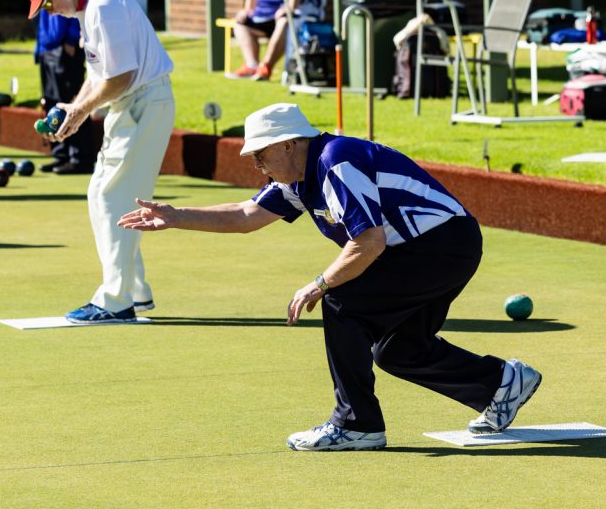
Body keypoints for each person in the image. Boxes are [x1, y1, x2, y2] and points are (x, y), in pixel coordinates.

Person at [118, 103, 543, 451]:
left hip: (438, 246)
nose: (258, 166)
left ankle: (356, 425)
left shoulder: (336, 161)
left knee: (342, 301)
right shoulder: (299, 177)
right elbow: (248, 216)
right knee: (398, 351)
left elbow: (369, 242)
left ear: (287, 145)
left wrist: (319, 284)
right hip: (431, 250)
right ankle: (500, 384)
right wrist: (176, 217)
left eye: (261, 155)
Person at [28, 0, 174, 322]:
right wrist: (73, 109)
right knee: (102, 194)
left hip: (142, 103)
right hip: (132, 105)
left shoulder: (103, 7)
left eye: (48, 1)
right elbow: (99, 74)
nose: (48, 10)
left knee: (110, 196)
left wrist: (80, 112)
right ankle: (135, 292)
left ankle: (115, 301)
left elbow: (121, 77)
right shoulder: (88, 10)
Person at [34, 8, 95, 175]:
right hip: (47, 48)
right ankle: (61, 153)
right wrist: (39, 49)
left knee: (72, 102)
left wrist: (72, 38)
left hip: (66, 47)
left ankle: (80, 158)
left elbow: (78, 7)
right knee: (52, 101)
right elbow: (42, 18)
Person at [227, 0, 325, 81]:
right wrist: (247, 9)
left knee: (284, 22)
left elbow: (291, 6)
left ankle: (266, 67)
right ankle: (252, 66)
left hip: (281, 15)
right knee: (240, 24)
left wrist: (290, 7)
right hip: (260, 16)